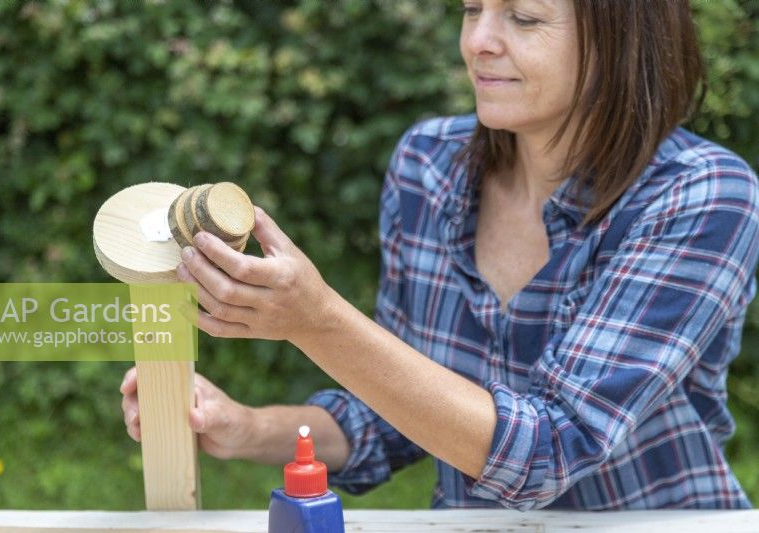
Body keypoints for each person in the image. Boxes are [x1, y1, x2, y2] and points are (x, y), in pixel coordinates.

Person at [121, 0, 759, 510]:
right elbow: (393, 411)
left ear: (626, 37)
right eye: (469, 8)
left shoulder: (702, 195)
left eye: (524, 17)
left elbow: (552, 450)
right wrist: (244, 425)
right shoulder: (427, 167)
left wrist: (315, 320)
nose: (479, 40)